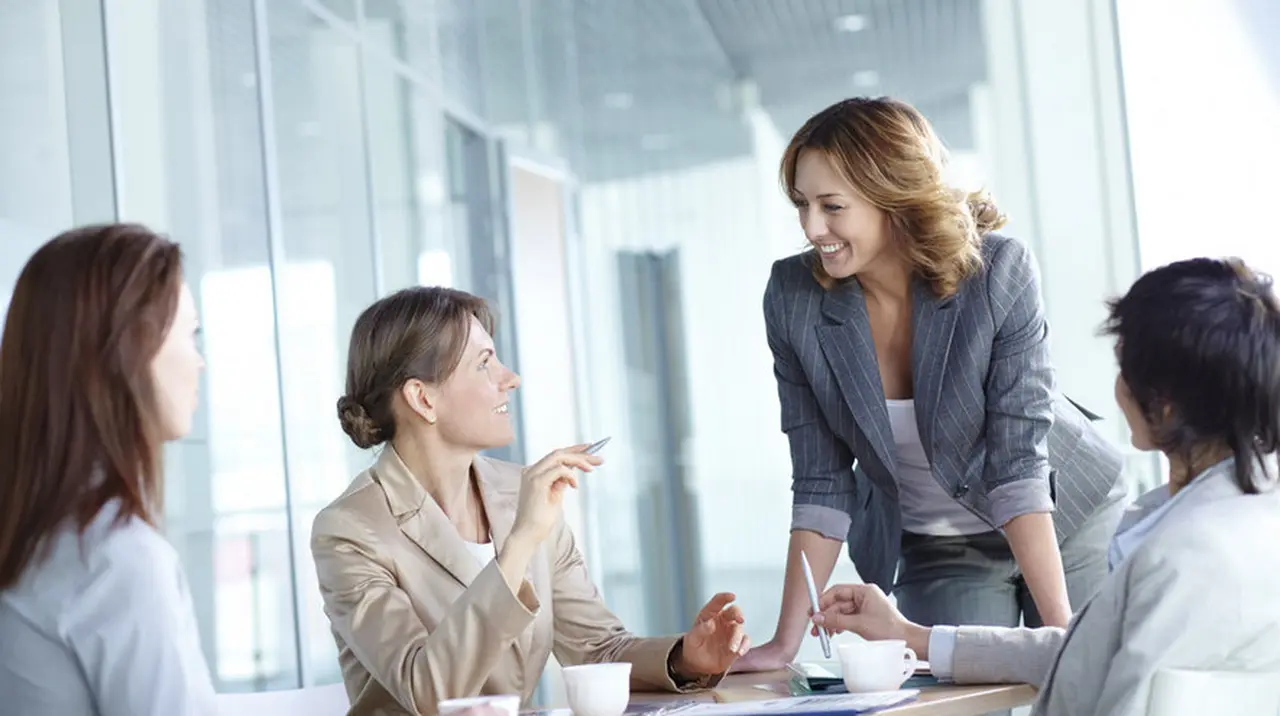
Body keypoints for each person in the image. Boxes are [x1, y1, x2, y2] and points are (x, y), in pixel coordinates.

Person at [736, 97, 1128, 672]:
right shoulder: (793, 297)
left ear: (892, 197)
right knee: (956, 706)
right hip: (942, 545)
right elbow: (821, 480)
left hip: (1066, 516)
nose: (812, 227)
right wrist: (782, 645)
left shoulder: (997, 271)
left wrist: (1064, 642)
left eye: (832, 206)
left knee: (1090, 686)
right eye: (802, 204)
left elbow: (1018, 464)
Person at [813, 257, 1280, 715]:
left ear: (1165, 406)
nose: (1118, 387)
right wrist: (913, 635)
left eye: (1124, 367)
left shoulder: (1185, 557)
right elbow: (1084, 650)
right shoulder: (1244, 517)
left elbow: (1116, 692)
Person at [312, 286, 749, 716]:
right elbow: (429, 692)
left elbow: (596, 649)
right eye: (484, 364)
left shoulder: (520, 491)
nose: (510, 378)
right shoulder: (350, 530)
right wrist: (519, 543)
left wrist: (686, 659)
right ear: (423, 399)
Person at [0, 224, 214, 714]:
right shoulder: (115, 560)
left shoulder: (36, 538)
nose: (199, 361)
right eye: (189, 333)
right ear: (128, 354)